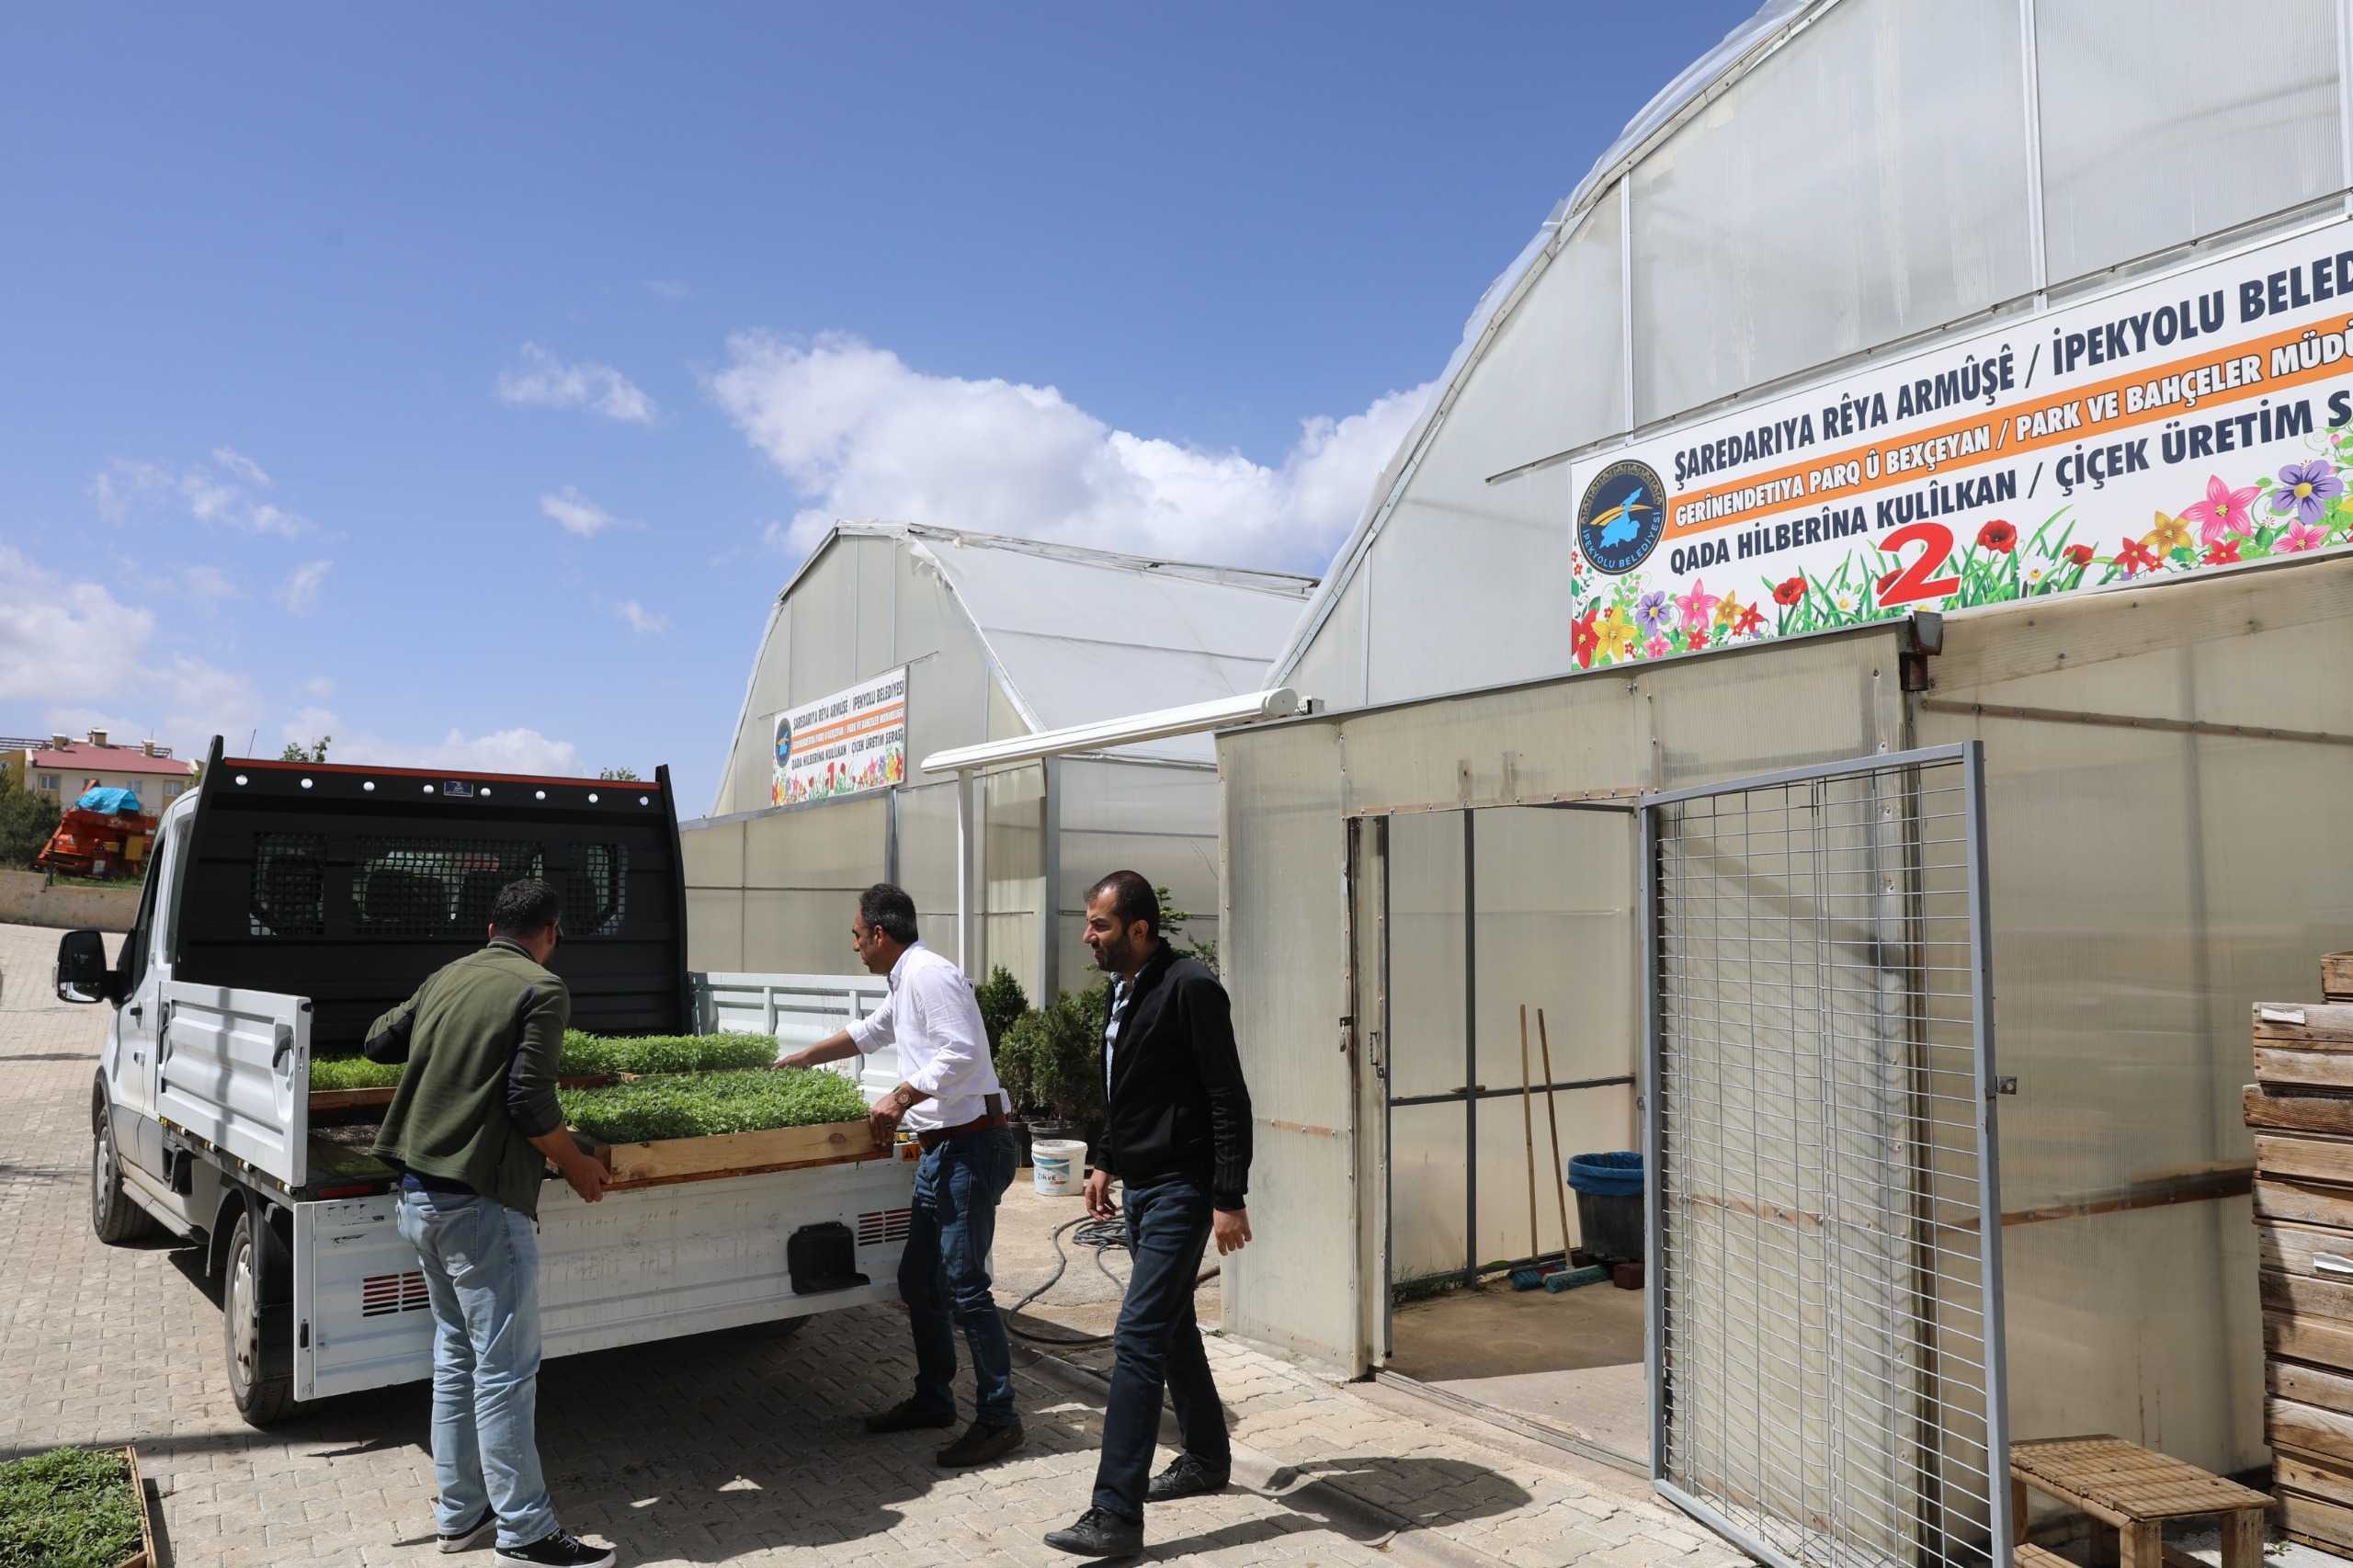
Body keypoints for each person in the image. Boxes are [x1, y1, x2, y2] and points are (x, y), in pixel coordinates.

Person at [361, 878, 618, 1568]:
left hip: (419, 1195)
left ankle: (461, 1514)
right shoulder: (541, 988)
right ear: (551, 932)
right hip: (480, 1205)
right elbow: (529, 1100)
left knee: (455, 1358)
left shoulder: (449, 975)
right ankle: (526, 1534)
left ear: (490, 929)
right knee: (505, 1371)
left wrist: (447, 1036)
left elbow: (379, 1040)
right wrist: (577, 1164)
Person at [774, 882, 1024, 1466]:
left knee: (966, 1287)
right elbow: (870, 1032)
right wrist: (802, 1058)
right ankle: (935, 1398)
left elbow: (961, 1053)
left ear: (880, 934)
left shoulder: (930, 975)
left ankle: (1000, 1417)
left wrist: (900, 1095)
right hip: (942, 1152)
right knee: (919, 1281)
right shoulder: (903, 978)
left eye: (857, 936)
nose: (855, 947)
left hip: (971, 1147)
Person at [1044, 870, 1253, 1560]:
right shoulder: (1125, 988)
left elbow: (1227, 1096)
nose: (1087, 936)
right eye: (1088, 923)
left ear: (1139, 929)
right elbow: (1125, 1086)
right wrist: (1105, 1159)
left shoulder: (1190, 987)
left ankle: (1115, 1514)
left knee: (1135, 1336)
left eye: (1099, 925)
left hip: (1183, 1189)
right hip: (1140, 1187)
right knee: (1170, 1326)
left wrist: (1228, 1195)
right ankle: (1207, 1458)